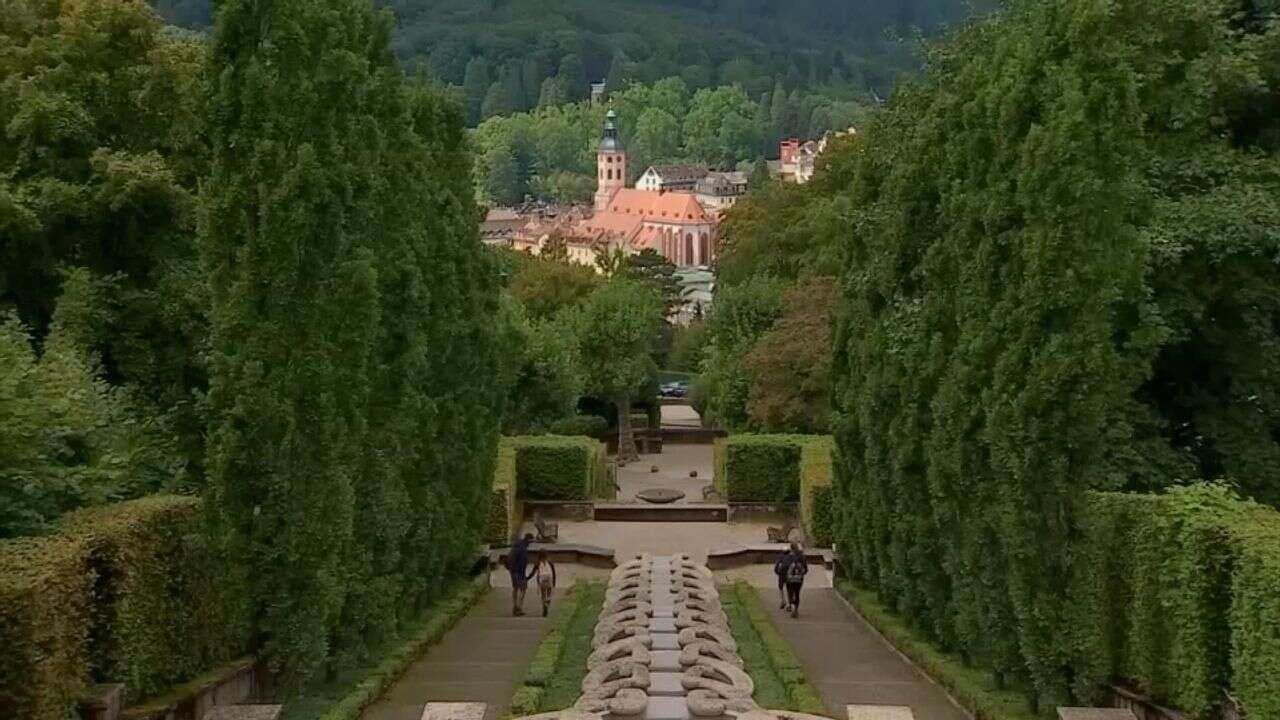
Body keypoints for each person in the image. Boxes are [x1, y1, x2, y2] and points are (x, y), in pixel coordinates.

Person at [508, 533, 534, 616]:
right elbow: (522, 562)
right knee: (523, 588)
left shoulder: (516, 545)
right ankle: (519, 608)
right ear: (529, 540)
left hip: (512, 570)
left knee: (515, 588)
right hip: (519, 571)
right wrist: (524, 575)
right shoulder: (523, 548)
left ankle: (514, 606)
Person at [527, 550, 557, 616]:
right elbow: (554, 573)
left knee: (543, 595)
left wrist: (527, 578)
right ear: (547, 556)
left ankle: (544, 607)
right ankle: (547, 603)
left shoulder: (538, 563)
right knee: (548, 594)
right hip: (548, 580)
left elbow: (533, 572)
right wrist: (554, 583)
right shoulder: (550, 563)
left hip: (542, 581)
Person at [783, 542, 808, 618]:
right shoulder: (801, 557)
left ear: (791, 548)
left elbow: (784, 567)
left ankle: (790, 605)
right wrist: (801, 575)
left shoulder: (788, 557)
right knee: (797, 593)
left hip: (789, 579)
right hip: (799, 579)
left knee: (790, 592)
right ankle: (796, 609)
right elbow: (806, 569)